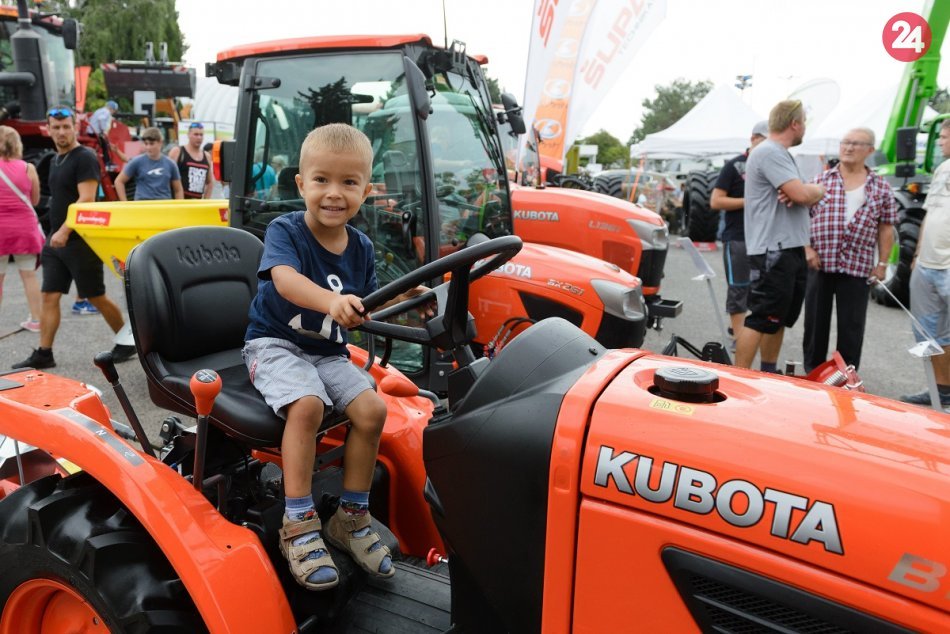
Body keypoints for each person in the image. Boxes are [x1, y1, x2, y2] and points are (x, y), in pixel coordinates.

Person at [243, 123, 428, 590]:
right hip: (275, 344)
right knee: (308, 406)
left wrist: (409, 295)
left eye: (348, 182)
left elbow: (365, 302)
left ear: (365, 191)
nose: (333, 193)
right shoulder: (286, 230)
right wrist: (331, 303)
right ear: (301, 183)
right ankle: (299, 523)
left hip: (325, 351)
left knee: (372, 410)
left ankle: (351, 517)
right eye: (321, 179)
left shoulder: (361, 247)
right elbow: (285, 280)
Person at [12, 107, 134, 369]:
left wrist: (64, 231)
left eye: (66, 126)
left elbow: (86, 200)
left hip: (80, 241)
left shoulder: (85, 157)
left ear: (75, 128)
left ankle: (127, 341)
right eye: (56, 127)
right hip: (56, 241)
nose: (61, 132)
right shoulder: (56, 159)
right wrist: (53, 232)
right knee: (49, 295)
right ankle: (44, 353)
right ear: (48, 129)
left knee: (96, 296)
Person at [734, 100, 826, 371]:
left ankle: (768, 373)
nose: (805, 128)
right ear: (794, 124)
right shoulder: (770, 152)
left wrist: (803, 192)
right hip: (773, 249)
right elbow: (802, 194)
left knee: (778, 318)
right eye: (804, 123)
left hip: (786, 247)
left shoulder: (778, 153)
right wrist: (816, 190)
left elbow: (798, 194)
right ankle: (738, 377)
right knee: (762, 317)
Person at [803, 127, 896, 373]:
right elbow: (800, 217)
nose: (849, 147)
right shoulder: (820, 181)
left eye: (856, 143)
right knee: (815, 325)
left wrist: (882, 264)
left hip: (857, 265)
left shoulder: (880, 187)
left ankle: (846, 379)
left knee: (852, 328)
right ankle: (812, 374)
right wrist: (807, 249)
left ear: (870, 150)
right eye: (845, 142)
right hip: (820, 263)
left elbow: (886, 228)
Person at [901, 119, 950, 406]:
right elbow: (930, 214)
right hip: (928, 264)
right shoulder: (943, 169)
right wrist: (918, 254)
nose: (940, 142)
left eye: (945, 137)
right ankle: (940, 389)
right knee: (929, 332)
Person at [710, 121, 769, 348]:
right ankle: (739, 339)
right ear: (754, 138)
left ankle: (745, 332)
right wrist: (749, 202)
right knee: (739, 288)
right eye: (765, 140)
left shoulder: (772, 164)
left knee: (760, 291)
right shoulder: (735, 166)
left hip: (766, 239)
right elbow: (716, 201)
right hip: (738, 238)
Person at [0, 126, 42, 332]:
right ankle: (36, 320)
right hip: (24, 228)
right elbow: (35, 200)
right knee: (29, 276)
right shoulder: (28, 168)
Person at [114, 127, 183, 201]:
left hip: (163, 204)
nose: (148, 147)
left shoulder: (170, 164)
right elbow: (119, 181)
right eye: (146, 144)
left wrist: (179, 206)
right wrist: (125, 204)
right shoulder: (137, 161)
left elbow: (178, 190)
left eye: (151, 144)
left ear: (160, 142)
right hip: (143, 204)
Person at [168, 122, 213, 199]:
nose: (199, 137)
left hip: (196, 203)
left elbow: (210, 182)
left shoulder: (207, 156)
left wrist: (206, 201)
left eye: (201, 135)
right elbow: (167, 178)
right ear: (188, 135)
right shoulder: (177, 152)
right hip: (178, 201)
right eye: (196, 134)